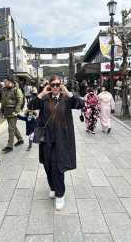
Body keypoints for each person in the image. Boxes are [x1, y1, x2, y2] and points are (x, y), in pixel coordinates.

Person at [28, 75, 84, 210]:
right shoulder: (44, 99)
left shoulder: (67, 99)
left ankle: (60, 194)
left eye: (57, 85)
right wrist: (41, 93)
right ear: (49, 85)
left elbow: (81, 104)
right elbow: (30, 106)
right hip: (46, 138)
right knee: (47, 165)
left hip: (61, 139)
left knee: (58, 166)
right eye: (52, 85)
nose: (55, 87)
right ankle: (53, 187)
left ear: (61, 85)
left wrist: (68, 92)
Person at [1, 76, 24, 153]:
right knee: (13, 127)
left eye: (6, 82)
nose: (5, 83)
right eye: (4, 82)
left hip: (13, 112)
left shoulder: (16, 90)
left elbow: (20, 101)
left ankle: (9, 145)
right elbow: (3, 101)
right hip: (6, 111)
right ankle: (20, 139)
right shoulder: (4, 90)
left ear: (11, 82)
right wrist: (2, 111)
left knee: (11, 128)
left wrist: (16, 111)